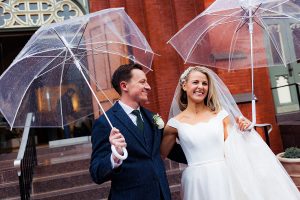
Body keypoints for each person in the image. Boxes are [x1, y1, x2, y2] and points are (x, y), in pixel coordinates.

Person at [160, 66, 300, 200]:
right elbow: (160, 154)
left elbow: (235, 146)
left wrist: (244, 130)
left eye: (205, 83)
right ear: (184, 86)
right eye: (195, 82)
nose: (201, 87)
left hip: (224, 176)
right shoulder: (174, 124)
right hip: (196, 181)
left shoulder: (221, 116)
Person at [89, 63, 186, 200]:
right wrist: (115, 155)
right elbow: (96, 173)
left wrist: (205, 156)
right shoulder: (105, 123)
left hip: (161, 195)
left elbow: (169, 149)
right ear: (124, 86)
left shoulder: (153, 118)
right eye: (142, 82)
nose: (148, 87)